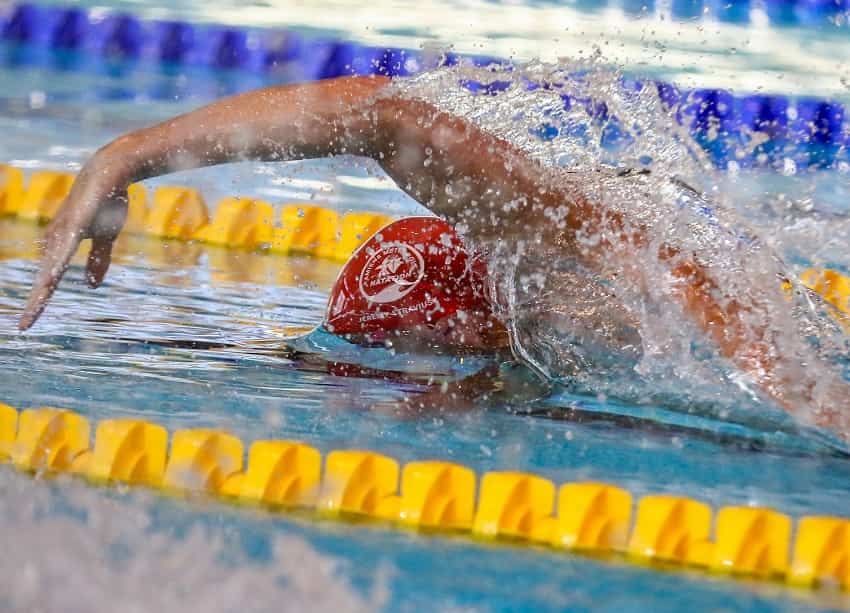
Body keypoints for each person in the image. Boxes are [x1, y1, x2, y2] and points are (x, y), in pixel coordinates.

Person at [16, 73, 850, 435]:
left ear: (479, 337)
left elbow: (387, 118)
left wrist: (123, 156)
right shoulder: (551, 322)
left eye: (417, 374)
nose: (413, 403)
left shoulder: (565, 247)